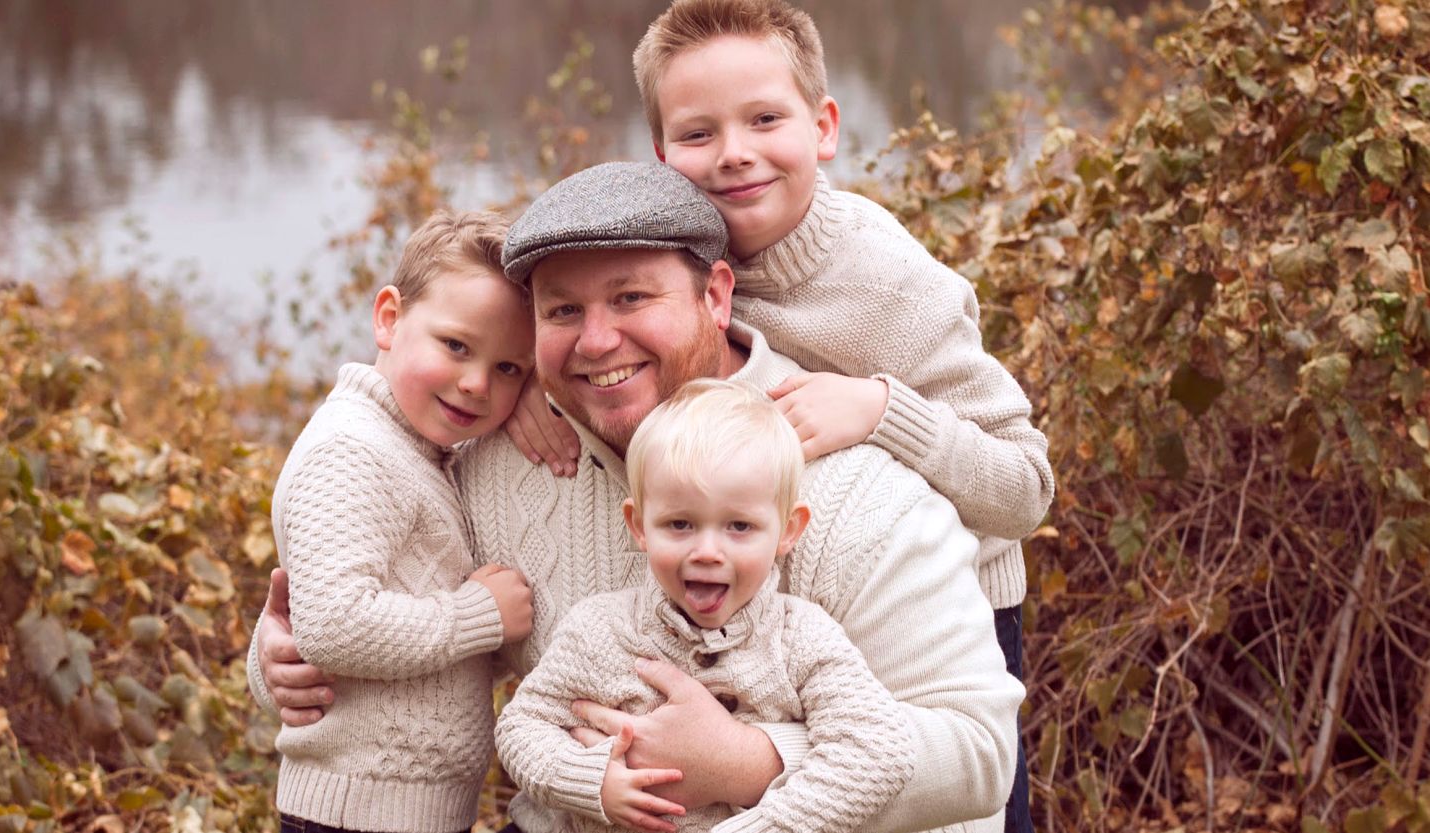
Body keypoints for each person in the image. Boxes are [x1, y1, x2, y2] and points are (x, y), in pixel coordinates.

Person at [251, 162, 1024, 833]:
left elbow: (980, 753)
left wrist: (754, 762)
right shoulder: (499, 470)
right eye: (561, 312)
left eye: (630, 298)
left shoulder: (851, 482)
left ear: (716, 295)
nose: (594, 341)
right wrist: (289, 660)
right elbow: (411, 636)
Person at [504, 3, 1054, 830]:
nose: (734, 154)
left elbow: (1023, 487)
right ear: (661, 159)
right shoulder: (677, 239)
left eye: (765, 119)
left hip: (960, 575)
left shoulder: (889, 282)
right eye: (698, 135)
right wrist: (521, 379)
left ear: (825, 126)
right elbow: (536, 272)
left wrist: (883, 411)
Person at [495, 379, 915, 833]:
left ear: (788, 530)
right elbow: (523, 725)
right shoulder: (603, 630)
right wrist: (592, 782)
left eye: (739, 526)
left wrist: (769, 825)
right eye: (680, 524)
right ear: (639, 525)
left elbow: (879, 751)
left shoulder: (800, 640)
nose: (708, 551)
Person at [252, 209, 537, 833]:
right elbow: (333, 624)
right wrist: (478, 616)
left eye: (509, 369)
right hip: (356, 815)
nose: (475, 384)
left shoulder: (417, 451)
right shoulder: (351, 450)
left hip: (403, 812)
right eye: (456, 346)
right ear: (389, 318)